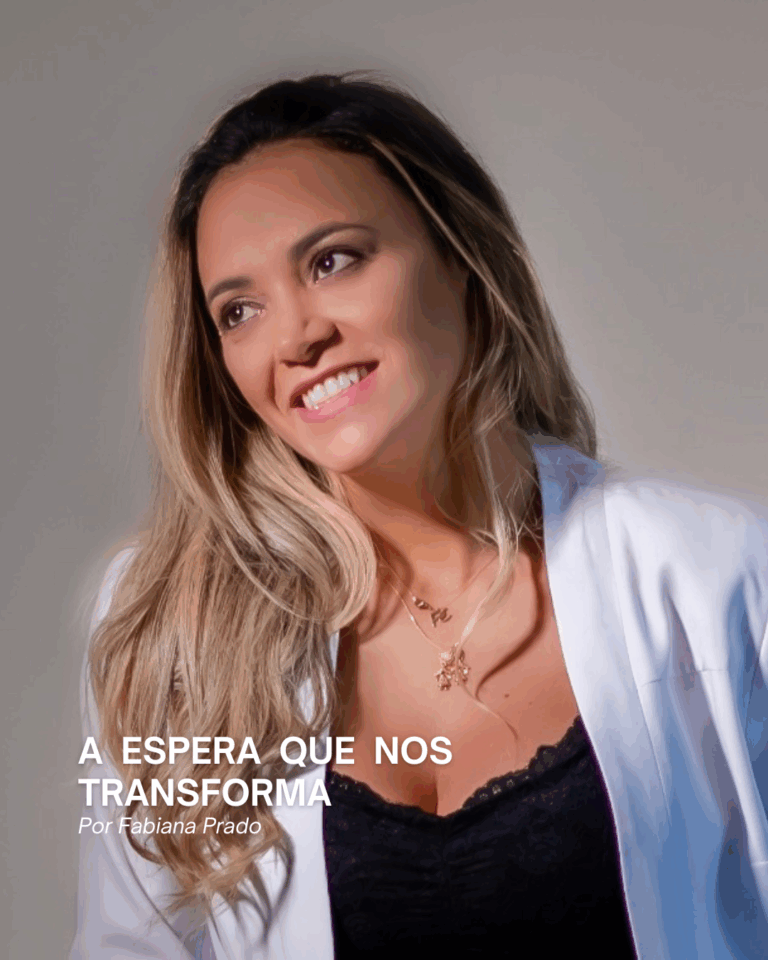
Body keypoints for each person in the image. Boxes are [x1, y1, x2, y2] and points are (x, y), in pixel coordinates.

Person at [70, 72, 768, 960]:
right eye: (239, 311)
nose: (295, 338)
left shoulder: (718, 574)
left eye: (333, 261)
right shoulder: (172, 630)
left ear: (461, 259)